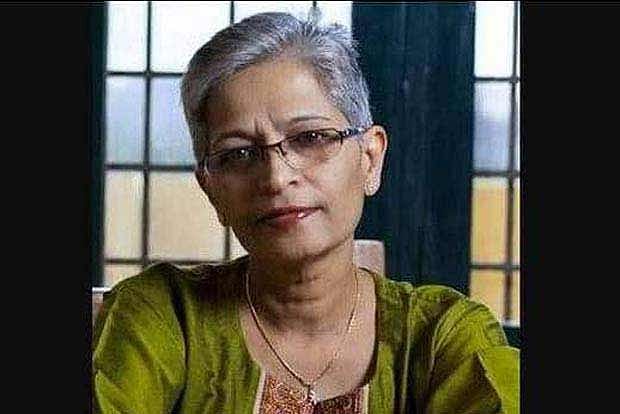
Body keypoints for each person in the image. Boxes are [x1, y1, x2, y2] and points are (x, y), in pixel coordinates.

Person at [92, 9, 519, 414]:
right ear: (211, 188)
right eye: (239, 153)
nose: (277, 177)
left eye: (311, 137)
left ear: (370, 159)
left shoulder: (443, 339)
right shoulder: (164, 316)